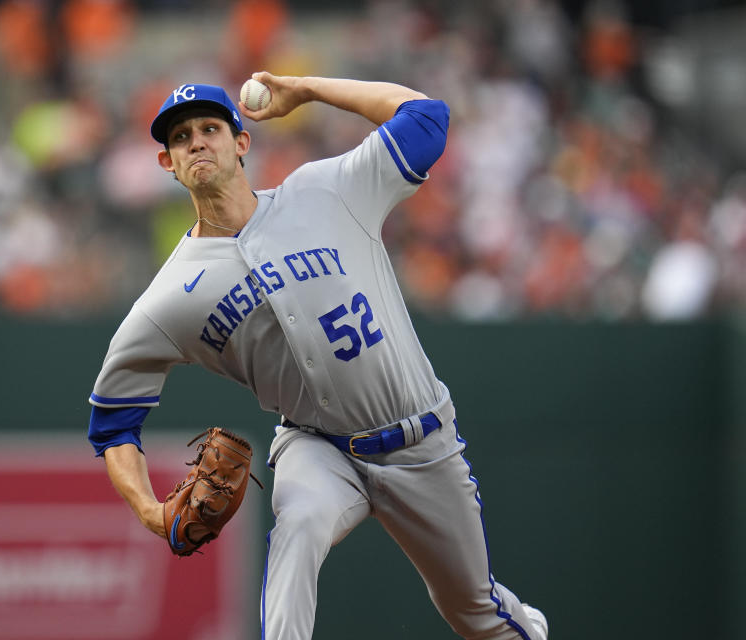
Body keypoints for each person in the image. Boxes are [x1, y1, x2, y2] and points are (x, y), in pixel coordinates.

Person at [87, 72, 548, 640]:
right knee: (298, 526)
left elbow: (428, 119)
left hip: (421, 442)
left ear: (242, 142)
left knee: (474, 613)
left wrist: (305, 90)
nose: (198, 142)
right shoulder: (166, 299)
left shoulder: (324, 191)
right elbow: (113, 422)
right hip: (317, 445)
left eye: (211, 128)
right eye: (181, 137)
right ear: (168, 163)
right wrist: (150, 511)